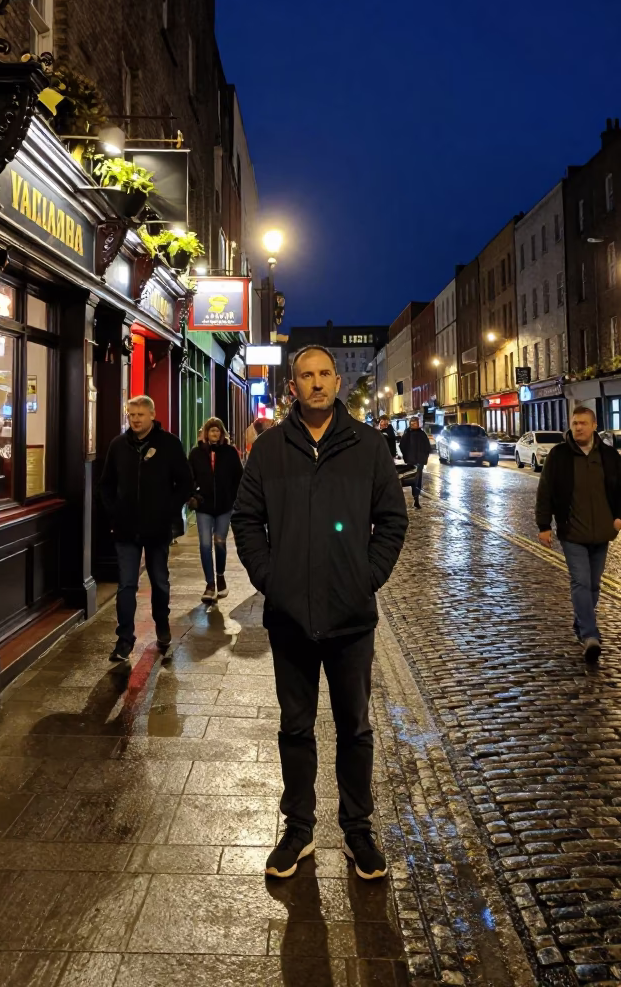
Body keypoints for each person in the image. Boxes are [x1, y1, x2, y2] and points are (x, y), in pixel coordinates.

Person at [232, 345, 408, 881]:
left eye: (324, 375)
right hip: (290, 619)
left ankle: (358, 831)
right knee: (296, 727)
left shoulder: (369, 445)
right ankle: (299, 829)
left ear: (336, 382)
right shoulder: (269, 450)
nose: (316, 383)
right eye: (305, 376)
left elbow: (392, 520)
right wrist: (272, 579)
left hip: (351, 619)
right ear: (292, 386)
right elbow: (246, 520)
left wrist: (366, 577)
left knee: (355, 728)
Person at [536, 405, 621, 664]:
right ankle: (590, 636)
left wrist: (620, 519)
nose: (577, 427)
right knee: (580, 581)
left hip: (603, 532)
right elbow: (545, 492)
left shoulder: (609, 456)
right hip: (573, 532)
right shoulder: (559, 455)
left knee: (593, 584)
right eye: (574, 422)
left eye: (582, 423)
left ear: (594, 426)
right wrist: (544, 525)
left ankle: (581, 622)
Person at [99, 395, 193, 663]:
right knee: (126, 584)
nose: (135, 419)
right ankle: (124, 639)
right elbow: (105, 484)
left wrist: (168, 510)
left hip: (157, 528)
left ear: (152, 415)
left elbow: (185, 482)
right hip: (126, 528)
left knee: (159, 581)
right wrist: (114, 513)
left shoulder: (169, 444)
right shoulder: (118, 446)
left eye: (140, 414)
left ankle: (161, 625)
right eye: (131, 415)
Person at [189, 417, 244, 602]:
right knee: (205, 545)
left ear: (221, 433)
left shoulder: (230, 452)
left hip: (224, 506)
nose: (214, 433)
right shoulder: (196, 453)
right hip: (203, 505)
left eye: (217, 431)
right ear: (206, 433)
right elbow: (190, 477)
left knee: (219, 542)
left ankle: (220, 576)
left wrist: (235, 498)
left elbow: (239, 477)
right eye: (211, 430)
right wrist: (194, 494)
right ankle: (210, 584)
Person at [398, 416, 431, 508]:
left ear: (418, 424)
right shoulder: (407, 434)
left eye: (415, 423)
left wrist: (424, 458)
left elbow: (427, 447)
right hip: (410, 461)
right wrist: (407, 456)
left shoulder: (422, 434)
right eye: (412, 424)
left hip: (419, 461)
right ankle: (413, 498)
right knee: (411, 479)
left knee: (417, 480)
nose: (413, 425)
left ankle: (416, 499)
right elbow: (402, 445)